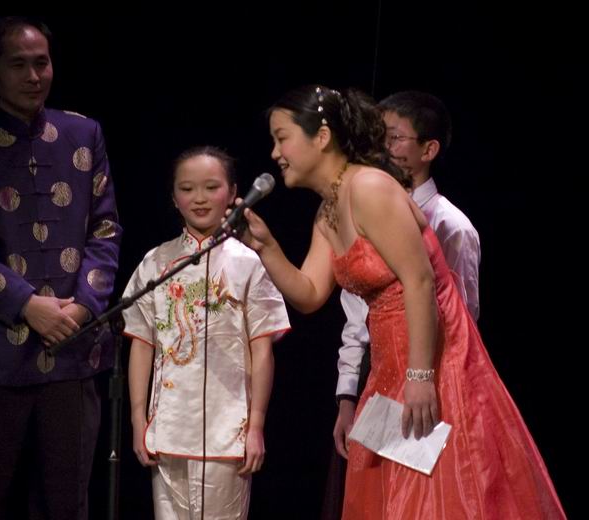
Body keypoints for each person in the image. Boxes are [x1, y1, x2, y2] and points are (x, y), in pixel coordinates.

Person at [239, 84, 565, 518]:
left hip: (435, 360)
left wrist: (421, 376)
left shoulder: (369, 187)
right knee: (390, 495)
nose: (275, 153)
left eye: (282, 138)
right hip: (390, 366)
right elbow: (311, 294)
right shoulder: (329, 210)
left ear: (321, 137)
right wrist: (267, 248)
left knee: (439, 495)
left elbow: (420, 281)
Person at [0, 17, 121, 520]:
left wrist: (82, 309)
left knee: (66, 503)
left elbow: (104, 230)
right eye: (19, 65)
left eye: (42, 63)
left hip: (73, 348)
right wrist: (27, 305)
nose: (34, 76)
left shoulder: (84, 133)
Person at [123, 146, 290, 519]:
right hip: (167, 429)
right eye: (187, 189)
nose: (199, 198)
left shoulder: (248, 263)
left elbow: (262, 350)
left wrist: (256, 426)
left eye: (211, 187)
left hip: (227, 431)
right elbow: (143, 344)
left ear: (233, 193)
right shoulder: (156, 262)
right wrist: (138, 421)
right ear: (173, 197)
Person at [332, 90, 481, 460]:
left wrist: (426, 380)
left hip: (429, 380)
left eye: (395, 137)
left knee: (419, 484)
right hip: (376, 372)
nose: (383, 147)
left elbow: (462, 321)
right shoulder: (363, 210)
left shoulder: (450, 225)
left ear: (428, 150)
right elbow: (356, 314)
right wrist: (347, 394)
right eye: (379, 136)